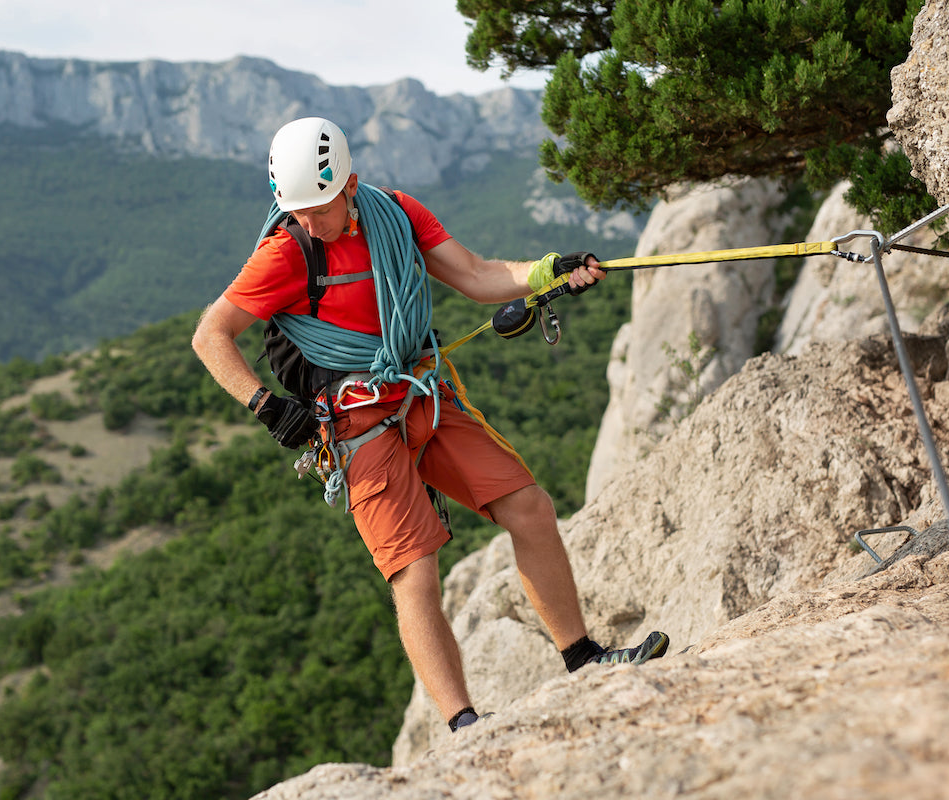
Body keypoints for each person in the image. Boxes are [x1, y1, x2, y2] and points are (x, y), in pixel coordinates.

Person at [192, 117, 669, 733]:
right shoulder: (286, 252)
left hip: (421, 393)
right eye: (297, 209)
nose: (308, 221)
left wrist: (549, 269)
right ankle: (464, 724)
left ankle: (585, 660)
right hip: (353, 422)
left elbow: (475, 275)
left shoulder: (397, 214)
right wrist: (266, 405)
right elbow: (211, 335)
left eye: (319, 207)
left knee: (530, 506)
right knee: (414, 568)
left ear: (351, 185)